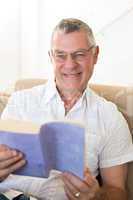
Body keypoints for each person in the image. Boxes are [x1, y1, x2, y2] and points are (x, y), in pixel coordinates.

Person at [1, 18, 133, 200]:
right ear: (51, 57)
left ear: (95, 55)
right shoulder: (20, 100)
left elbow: (118, 191)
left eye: (79, 54)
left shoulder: (110, 118)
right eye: (61, 55)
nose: (70, 65)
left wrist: (96, 197)